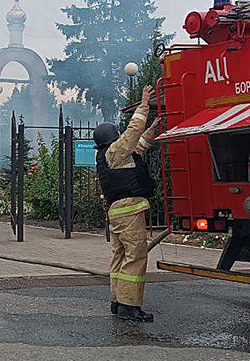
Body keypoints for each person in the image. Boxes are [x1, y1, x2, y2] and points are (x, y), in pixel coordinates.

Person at [94, 84, 161, 322]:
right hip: (129, 211)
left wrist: (153, 128)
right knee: (135, 256)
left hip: (118, 212)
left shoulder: (113, 155)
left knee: (120, 256)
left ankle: (118, 301)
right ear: (113, 138)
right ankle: (129, 306)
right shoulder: (115, 151)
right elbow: (133, 131)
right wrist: (144, 104)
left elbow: (140, 145)